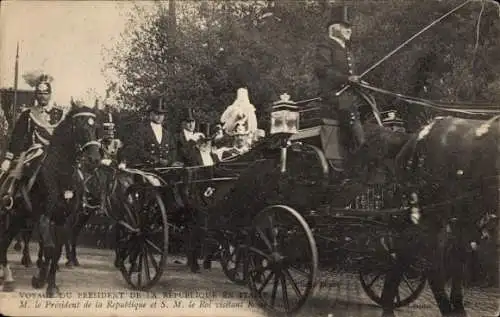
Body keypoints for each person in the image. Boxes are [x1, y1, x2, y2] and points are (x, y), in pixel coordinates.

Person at [1, 74, 64, 185]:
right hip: (33, 154)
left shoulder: (60, 114)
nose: (42, 96)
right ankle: (11, 198)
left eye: (45, 93)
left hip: (56, 153)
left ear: (50, 95)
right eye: (39, 93)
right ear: (35, 95)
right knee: (14, 178)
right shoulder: (27, 114)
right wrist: (8, 158)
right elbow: (17, 137)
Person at [314, 19, 366, 154]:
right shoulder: (325, 46)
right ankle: (357, 155)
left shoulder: (346, 49)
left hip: (348, 97)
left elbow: (350, 74)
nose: (350, 30)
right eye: (345, 27)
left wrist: (358, 82)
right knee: (353, 122)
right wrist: (347, 79)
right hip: (333, 97)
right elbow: (322, 70)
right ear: (333, 29)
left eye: (350, 27)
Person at [119, 97, 177, 167]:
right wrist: (157, 160)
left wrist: (169, 161)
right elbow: (139, 150)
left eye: (162, 114)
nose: (159, 117)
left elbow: (173, 150)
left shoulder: (167, 134)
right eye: (156, 113)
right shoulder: (142, 131)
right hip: (147, 168)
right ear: (150, 114)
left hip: (165, 169)